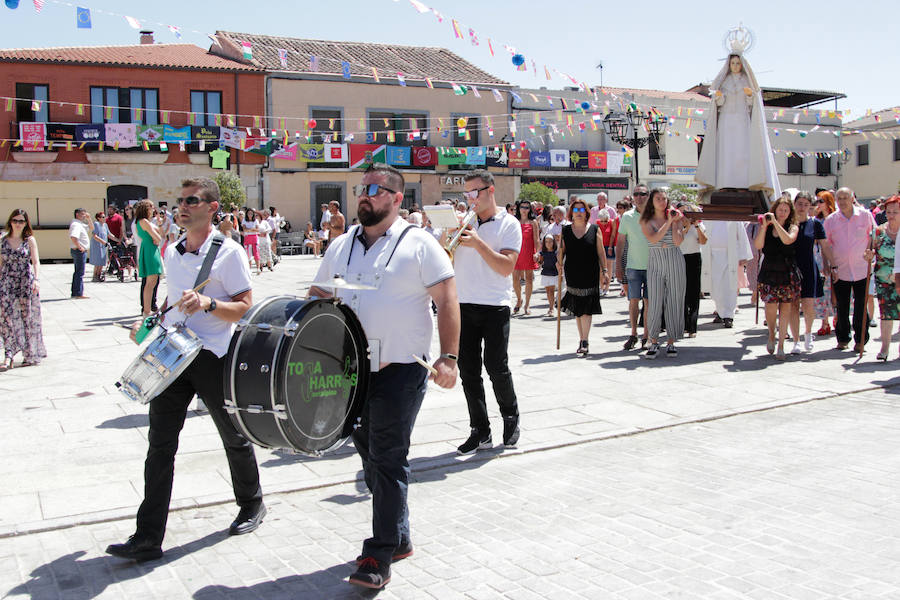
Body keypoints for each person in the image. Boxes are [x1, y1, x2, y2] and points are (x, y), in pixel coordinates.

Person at [310, 163, 459, 590]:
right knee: (371, 457)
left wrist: (449, 357)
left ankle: (377, 555)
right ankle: (400, 536)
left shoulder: (420, 244)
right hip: (352, 370)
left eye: (375, 189)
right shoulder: (340, 245)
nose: (365, 195)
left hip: (402, 365)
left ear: (396, 199)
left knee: (389, 456)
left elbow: (447, 299)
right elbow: (319, 295)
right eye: (362, 188)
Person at [107, 177, 264, 563]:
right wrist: (148, 320)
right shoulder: (172, 250)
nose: (182, 206)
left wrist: (210, 304)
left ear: (212, 207)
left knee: (233, 437)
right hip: (173, 354)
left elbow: (245, 306)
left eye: (191, 200)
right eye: (180, 200)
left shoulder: (229, 253)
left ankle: (252, 504)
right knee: (159, 446)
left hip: (213, 356)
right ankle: (148, 535)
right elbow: (171, 297)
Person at [454, 169, 521, 455]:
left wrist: (478, 242)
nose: (470, 199)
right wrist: (450, 234)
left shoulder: (509, 224)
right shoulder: (463, 223)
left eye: (474, 193)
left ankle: (510, 414)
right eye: (466, 194)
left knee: (496, 366)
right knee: (468, 371)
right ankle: (479, 429)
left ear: (490, 191)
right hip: (462, 303)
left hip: (495, 304)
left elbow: (506, 267)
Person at [695, 41, 780, 199]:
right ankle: (724, 183)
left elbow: (752, 104)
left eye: (737, 63)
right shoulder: (724, 81)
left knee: (742, 151)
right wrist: (719, 98)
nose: (735, 66)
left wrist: (749, 95)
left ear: (742, 65)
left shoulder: (747, 81)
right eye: (732, 63)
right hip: (726, 120)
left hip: (742, 120)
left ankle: (742, 184)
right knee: (726, 152)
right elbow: (718, 103)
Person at [824, 187, 877, 352]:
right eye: (839, 198)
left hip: (862, 268)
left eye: (845, 198)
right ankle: (843, 338)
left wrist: (871, 251)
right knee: (842, 305)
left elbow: (875, 235)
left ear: (852, 198)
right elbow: (826, 244)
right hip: (840, 269)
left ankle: (861, 340)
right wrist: (827, 265)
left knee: (861, 306)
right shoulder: (831, 220)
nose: (842, 201)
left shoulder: (865, 215)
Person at [559, 197, 609, 356]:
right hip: (572, 272)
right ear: (571, 213)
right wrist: (558, 263)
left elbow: (601, 252)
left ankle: (585, 340)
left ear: (586, 213)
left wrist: (605, 271)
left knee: (586, 308)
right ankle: (582, 338)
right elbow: (561, 251)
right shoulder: (565, 230)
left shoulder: (595, 229)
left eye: (582, 210)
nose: (579, 213)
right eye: (576, 210)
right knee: (578, 308)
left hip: (590, 272)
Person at [641, 189, 686, 358]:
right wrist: (668, 222)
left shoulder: (676, 217)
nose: (661, 201)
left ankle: (671, 341)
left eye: (664, 198)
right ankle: (653, 341)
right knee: (654, 301)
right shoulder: (646, 220)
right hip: (655, 262)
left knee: (674, 300)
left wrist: (675, 222)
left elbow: (678, 241)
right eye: (658, 198)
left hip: (674, 259)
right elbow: (653, 239)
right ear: (652, 201)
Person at [755, 196, 800, 359]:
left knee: (786, 308)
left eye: (785, 210)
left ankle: (781, 344)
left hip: (786, 271)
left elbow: (787, 240)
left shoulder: (793, 227)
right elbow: (758, 245)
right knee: (770, 307)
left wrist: (777, 224)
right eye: (780, 209)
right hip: (769, 270)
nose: (782, 213)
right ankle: (771, 334)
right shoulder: (767, 227)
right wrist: (765, 227)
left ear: (790, 212)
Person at [0, 209, 46, 370]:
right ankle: (9, 355)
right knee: (6, 319)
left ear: (26, 223)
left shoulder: (29, 240)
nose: (18, 224)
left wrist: (37, 279)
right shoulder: (3, 240)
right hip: (6, 282)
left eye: (21, 221)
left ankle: (29, 353)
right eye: (15, 220)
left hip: (25, 282)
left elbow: (36, 261)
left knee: (27, 318)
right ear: (10, 221)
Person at [789, 191, 834, 353]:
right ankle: (795, 340)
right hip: (791, 268)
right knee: (793, 305)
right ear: (794, 204)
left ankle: (808, 333)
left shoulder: (815, 224)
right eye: (799, 204)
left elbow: (825, 245)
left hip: (808, 267)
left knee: (808, 305)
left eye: (806, 204)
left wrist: (832, 264)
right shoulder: (788, 223)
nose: (802, 207)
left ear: (810, 207)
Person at [615, 183, 651, 349]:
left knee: (649, 302)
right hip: (633, 266)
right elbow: (621, 242)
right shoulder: (627, 217)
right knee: (633, 301)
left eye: (643, 194)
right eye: (636, 194)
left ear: (648, 196)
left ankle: (647, 335)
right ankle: (634, 334)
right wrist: (618, 266)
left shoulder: (656, 215)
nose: (639, 197)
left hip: (653, 266)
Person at [702, 221, 753, 328]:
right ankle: (721, 312)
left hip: (730, 255)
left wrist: (743, 255)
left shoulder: (733, 217)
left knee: (729, 286)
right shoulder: (710, 217)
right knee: (716, 286)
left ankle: (729, 316)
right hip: (712, 255)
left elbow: (742, 235)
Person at [871, 196, 899, 360]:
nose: (891, 215)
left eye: (896, 212)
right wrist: (869, 255)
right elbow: (871, 250)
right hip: (884, 279)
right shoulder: (879, 231)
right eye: (889, 212)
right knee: (886, 314)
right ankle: (885, 348)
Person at [678, 203, 707, 337]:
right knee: (682, 292)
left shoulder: (699, 226)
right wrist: (686, 226)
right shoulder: (677, 226)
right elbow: (678, 240)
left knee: (694, 292)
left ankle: (693, 327)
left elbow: (703, 241)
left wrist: (695, 226)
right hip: (680, 258)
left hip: (694, 258)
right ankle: (684, 324)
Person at [134, 200, 163, 316]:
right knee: (151, 282)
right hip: (150, 250)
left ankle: (147, 309)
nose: (153, 209)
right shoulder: (144, 221)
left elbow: (159, 236)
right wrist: (156, 237)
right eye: (151, 207)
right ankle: (146, 310)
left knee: (151, 281)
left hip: (149, 248)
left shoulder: (141, 222)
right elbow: (159, 238)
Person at [512, 199, 540, 315]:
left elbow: (537, 239)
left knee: (529, 279)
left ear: (530, 209)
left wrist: (537, 252)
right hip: (516, 253)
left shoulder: (533, 222)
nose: (524, 210)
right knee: (515, 279)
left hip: (529, 252)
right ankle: (519, 299)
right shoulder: (514, 221)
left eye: (527, 207)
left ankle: (527, 304)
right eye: (522, 207)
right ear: (519, 208)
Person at [68, 208, 91, 299]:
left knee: (78, 272)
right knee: (79, 272)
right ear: (77, 214)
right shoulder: (76, 224)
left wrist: (89, 218)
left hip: (79, 250)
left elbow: (92, 228)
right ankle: (78, 293)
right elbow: (73, 237)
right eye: (82, 214)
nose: (84, 216)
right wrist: (80, 246)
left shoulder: (80, 224)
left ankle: (76, 292)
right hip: (78, 251)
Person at [595, 211, 618, 296]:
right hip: (600, 246)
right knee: (600, 268)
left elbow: (613, 235)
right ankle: (601, 286)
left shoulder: (612, 222)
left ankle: (607, 287)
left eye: (605, 221)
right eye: (602, 221)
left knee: (609, 267)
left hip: (608, 246)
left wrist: (610, 247)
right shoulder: (597, 223)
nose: (604, 223)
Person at [537, 234, 559, 317]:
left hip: (554, 273)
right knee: (548, 291)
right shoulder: (543, 253)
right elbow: (540, 262)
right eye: (546, 242)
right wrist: (537, 259)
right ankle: (551, 305)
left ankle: (551, 308)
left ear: (553, 242)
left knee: (552, 291)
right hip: (546, 273)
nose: (548, 243)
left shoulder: (556, 253)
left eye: (550, 241)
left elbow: (559, 263)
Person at [89, 211, 110, 282]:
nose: (105, 218)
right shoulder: (96, 224)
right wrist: (103, 242)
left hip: (104, 246)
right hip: (97, 245)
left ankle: (99, 275)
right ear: (98, 218)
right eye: (103, 217)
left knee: (102, 262)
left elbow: (109, 234)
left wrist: (118, 240)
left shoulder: (105, 225)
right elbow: (95, 236)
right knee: (98, 262)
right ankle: (95, 276)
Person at [241, 208, 261, 274]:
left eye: (251, 214)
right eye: (249, 213)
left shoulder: (256, 220)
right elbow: (244, 229)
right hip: (247, 237)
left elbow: (257, 229)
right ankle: (249, 268)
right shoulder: (244, 220)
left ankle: (258, 268)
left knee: (256, 252)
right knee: (248, 253)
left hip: (254, 237)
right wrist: (252, 229)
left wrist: (250, 229)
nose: (250, 215)